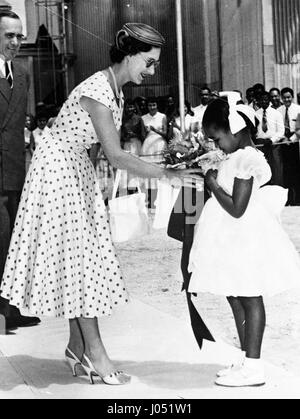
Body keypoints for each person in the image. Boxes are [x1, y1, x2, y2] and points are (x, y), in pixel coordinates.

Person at [0, 22, 200, 384]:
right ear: (128, 54)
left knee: (84, 260)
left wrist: (94, 192)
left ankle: (77, 350)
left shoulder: (114, 89)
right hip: (55, 172)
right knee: (80, 264)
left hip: (74, 171)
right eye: (149, 62)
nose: (152, 70)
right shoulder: (97, 90)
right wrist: (170, 176)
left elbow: (93, 147)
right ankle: (96, 355)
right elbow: (117, 156)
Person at [188, 95, 300, 387]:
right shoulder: (234, 155)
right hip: (227, 236)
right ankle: (245, 357)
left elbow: (237, 207)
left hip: (244, 235)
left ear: (235, 131)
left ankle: (254, 366)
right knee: (233, 292)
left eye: (217, 138)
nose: (215, 146)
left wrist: (211, 182)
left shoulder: (248, 157)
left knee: (249, 295)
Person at [0, 11, 40, 331]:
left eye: (19, 36)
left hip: (15, 172)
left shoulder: (23, 74)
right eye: (8, 36)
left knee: (15, 242)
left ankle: (10, 311)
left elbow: (20, 128)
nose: (15, 42)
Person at [141, 96, 168, 207]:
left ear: (157, 106)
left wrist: (155, 130)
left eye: (154, 105)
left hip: (159, 145)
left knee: (160, 171)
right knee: (149, 172)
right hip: (148, 146)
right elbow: (142, 135)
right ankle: (150, 199)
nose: (152, 107)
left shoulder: (162, 116)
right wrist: (147, 132)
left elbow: (166, 134)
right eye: (150, 105)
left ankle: (161, 199)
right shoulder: (143, 118)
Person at [255, 91, 285, 186]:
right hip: (260, 145)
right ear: (258, 101)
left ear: (269, 100)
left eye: (266, 99)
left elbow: (281, 132)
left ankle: (278, 189)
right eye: (262, 100)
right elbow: (254, 131)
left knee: (276, 168)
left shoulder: (276, 114)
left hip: (273, 144)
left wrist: (272, 140)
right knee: (261, 169)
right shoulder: (255, 114)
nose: (264, 101)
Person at [278, 87, 300, 204]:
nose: (287, 99)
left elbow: (299, 129)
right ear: (282, 98)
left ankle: (297, 199)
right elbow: (279, 128)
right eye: (284, 97)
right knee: (286, 172)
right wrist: (284, 138)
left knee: (296, 171)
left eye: (289, 97)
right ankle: (288, 198)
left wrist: (291, 139)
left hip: (295, 144)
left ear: (292, 97)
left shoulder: (298, 109)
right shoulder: (279, 110)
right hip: (282, 143)